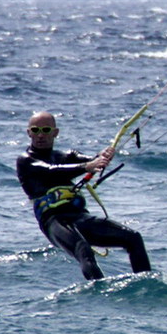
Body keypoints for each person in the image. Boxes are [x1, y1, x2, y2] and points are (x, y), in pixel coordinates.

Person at [16, 110, 151, 281]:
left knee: (133, 238)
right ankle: (101, 292)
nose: (40, 135)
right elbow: (51, 171)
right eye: (35, 130)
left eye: (46, 130)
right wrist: (88, 166)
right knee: (82, 249)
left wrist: (102, 157)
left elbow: (90, 161)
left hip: (79, 217)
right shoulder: (26, 160)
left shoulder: (65, 156)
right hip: (54, 221)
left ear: (55, 133)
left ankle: (147, 282)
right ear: (29, 133)